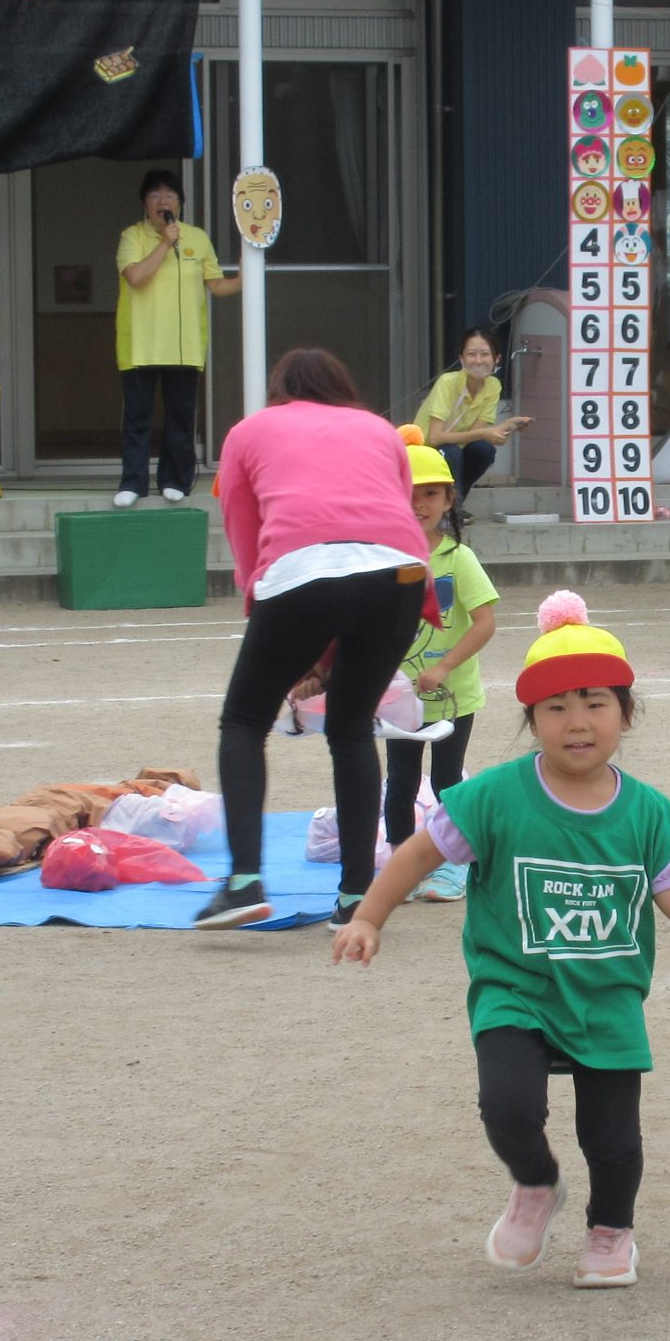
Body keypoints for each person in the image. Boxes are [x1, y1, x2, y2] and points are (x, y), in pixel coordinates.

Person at [333, 592, 670, 1288]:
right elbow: (417, 854)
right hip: (515, 986)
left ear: (627, 713)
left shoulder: (650, 815)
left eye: (596, 703)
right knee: (507, 1108)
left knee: (613, 1139)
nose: (578, 722)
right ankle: (536, 1184)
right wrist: (368, 916)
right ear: (531, 720)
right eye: (556, 707)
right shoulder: (493, 797)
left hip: (608, 995)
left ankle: (611, 1231)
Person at [198, 348, 432, 932]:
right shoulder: (379, 430)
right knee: (352, 730)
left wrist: (266, 611)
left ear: (280, 390)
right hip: (401, 574)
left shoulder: (250, 431)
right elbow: (396, 510)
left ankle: (243, 881)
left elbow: (244, 529)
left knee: (243, 721)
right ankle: (357, 896)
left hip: (301, 569)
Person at [385, 430, 500, 902]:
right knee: (400, 781)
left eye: (431, 493)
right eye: (409, 492)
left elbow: (485, 622)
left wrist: (446, 666)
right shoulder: (384, 558)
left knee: (446, 782)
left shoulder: (458, 558)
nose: (419, 504)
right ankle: (400, 865)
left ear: (449, 499)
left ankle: (453, 865)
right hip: (398, 699)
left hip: (454, 697)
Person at [115, 169, 239, 508]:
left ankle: (174, 480)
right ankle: (133, 483)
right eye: (155, 195)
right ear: (144, 204)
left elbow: (216, 284)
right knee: (137, 417)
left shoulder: (197, 238)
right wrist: (165, 243)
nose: (163, 201)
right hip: (140, 344)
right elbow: (136, 277)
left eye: (170, 195)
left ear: (180, 203)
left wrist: (245, 278)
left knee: (180, 418)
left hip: (184, 345)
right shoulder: (132, 236)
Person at [417, 328, 533, 498]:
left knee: (484, 450)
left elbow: (475, 434)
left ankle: (455, 504)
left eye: (485, 354)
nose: (478, 361)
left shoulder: (493, 386)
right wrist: (486, 433)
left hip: (454, 449)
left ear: (496, 359)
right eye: (471, 354)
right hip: (424, 450)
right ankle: (453, 507)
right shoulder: (447, 382)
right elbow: (435, 438)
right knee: (452, 452)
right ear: (462, 359)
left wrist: (506, 426)